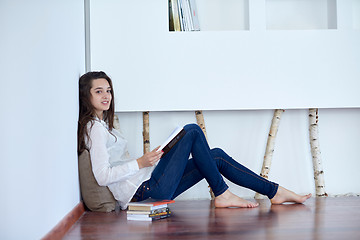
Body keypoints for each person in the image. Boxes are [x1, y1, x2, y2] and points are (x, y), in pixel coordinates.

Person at [78, 71, 311, 210]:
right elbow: (102, 175)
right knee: (191, 131)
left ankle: (275, 191)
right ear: (86, 96)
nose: (106, 95)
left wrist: (154, 159)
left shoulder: (102, 126)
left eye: (108, 90)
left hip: (149, 184)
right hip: (144, 192)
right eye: (98, 91)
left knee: (216, 155)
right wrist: (141, 162)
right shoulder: (93, 128)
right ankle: (222, 193)